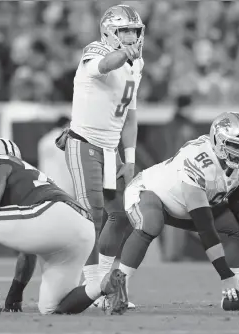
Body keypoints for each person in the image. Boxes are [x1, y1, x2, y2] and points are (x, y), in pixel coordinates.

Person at [0, 138, 128, 315]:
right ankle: (104, 285)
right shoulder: (26, 175)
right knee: (51, 307)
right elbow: (27, 249)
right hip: (80, 223)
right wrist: (15, 295)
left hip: (53, 213)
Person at [117, 112, 239, 311]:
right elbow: (205, 228)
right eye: (236, 146)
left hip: (184, 207)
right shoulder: (199, 161)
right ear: (218, 141)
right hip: (148, 193)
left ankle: (233, 293)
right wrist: (225, 275)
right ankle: (117, 287)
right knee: (151, 223)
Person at [55, 4, 144, 308]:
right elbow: (103, 66)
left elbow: (130, 116)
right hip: (83, 143)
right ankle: (92, 287)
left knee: (121, 215)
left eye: (135, 31)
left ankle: (106, 284)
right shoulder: (95, 50)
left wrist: (129, 159)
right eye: (124, 31)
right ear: (109, 32)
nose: (131, 37)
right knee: (90, 217)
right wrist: (123, 55)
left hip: (111, 149)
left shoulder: (137, 63)